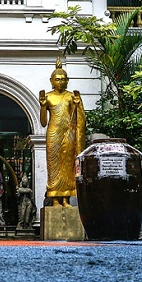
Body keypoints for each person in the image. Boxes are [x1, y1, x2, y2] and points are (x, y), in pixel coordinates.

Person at [39, 59, 86, 207]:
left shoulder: (72, 96)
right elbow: (43, 122)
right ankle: (54, 199)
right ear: (51, 81)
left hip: (68, 134)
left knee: (67, 165)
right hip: (54, 134)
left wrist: (78, 106)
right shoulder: (48, 96)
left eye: (63, 79)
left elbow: (81, 119)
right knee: (54, 166)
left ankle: (65, 199)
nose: (60, 82)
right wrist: (42, 106)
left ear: (68, 81)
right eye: (57, 79)